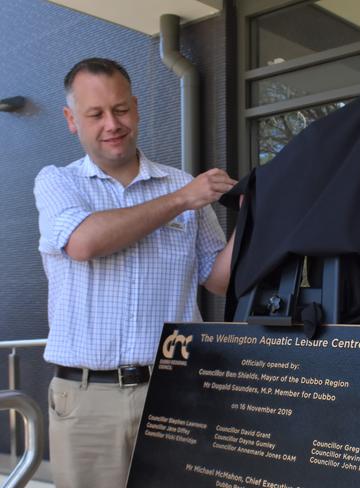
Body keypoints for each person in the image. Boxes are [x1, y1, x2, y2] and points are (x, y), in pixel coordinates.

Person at [33, 58, 237, 488]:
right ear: (72, 120)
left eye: (121, 109)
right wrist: (181, 200)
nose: (112, 123)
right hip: (88, 400)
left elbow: (219, 279)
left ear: (137, 108)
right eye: (96, 114)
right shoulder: (57, 182)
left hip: (176, 391)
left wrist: (261, 216)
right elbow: (84, 243)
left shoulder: (182, 184)